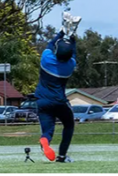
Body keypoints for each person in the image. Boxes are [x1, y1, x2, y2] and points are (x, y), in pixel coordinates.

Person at [35, 12, 82, 163]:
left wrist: (62, 31)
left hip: (42, 101)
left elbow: (50, 44)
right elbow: (73, 52)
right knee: (69, 125)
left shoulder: (46, 59)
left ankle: (45, 140)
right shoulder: (69, 66)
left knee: (48, 129)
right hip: (60, 102)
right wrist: (72, 36)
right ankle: (62, 156)